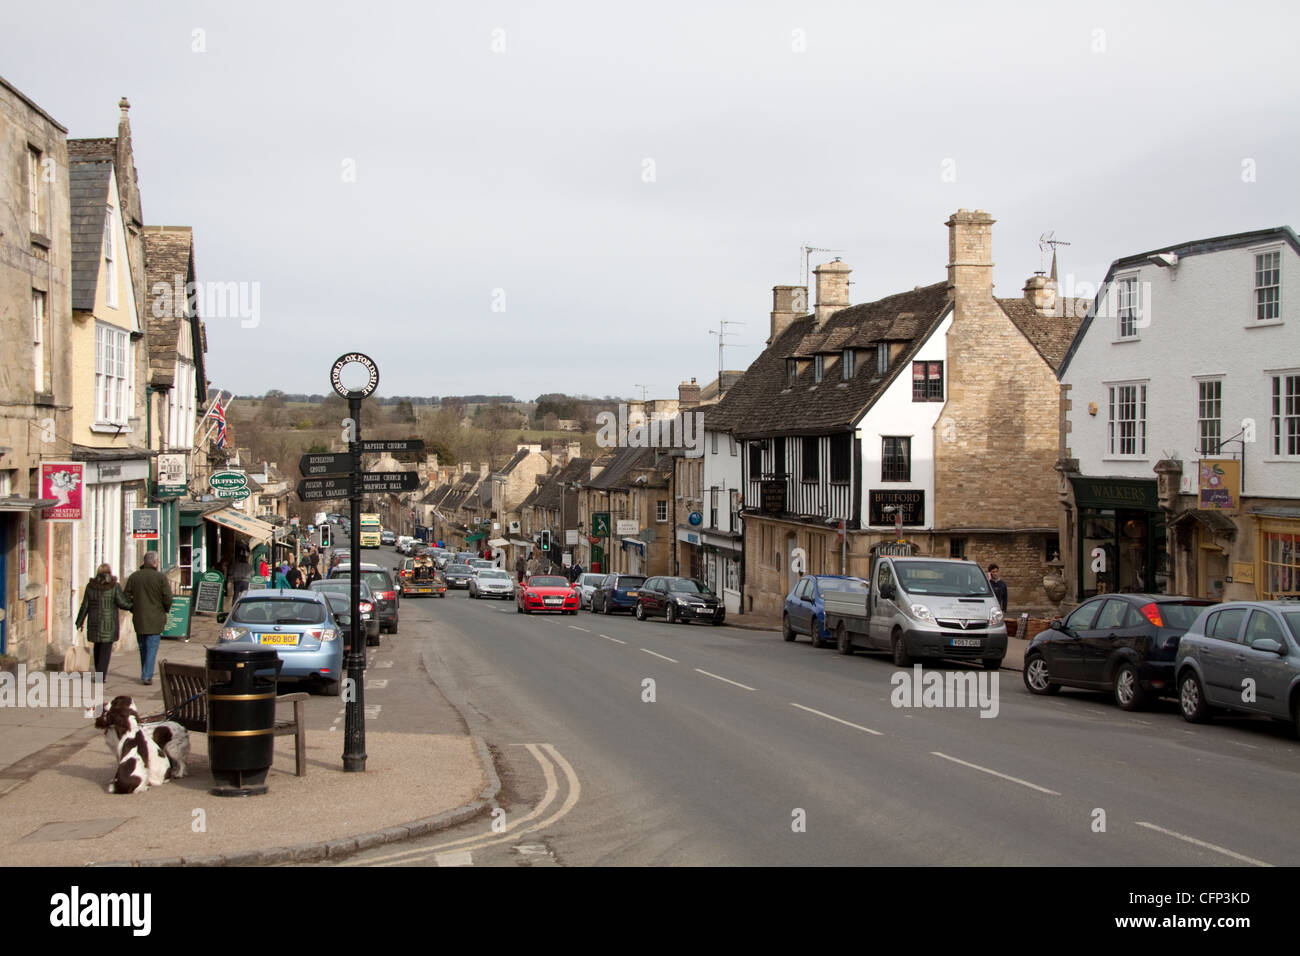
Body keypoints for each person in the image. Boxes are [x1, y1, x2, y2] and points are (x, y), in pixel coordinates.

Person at [123, 551, 172, 685]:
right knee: (151, 647)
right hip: (156, 618)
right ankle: (147, 675)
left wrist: (133, 608)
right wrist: (165, 609)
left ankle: (145, 672)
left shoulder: (134, 577)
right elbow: (168, 597)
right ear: (155, 563)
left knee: (143, 646)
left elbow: (125, 597)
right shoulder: (160, 578)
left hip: (139, 618)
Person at [76, 563, 132, 679]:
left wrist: (79, 621)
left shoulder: (91, 586)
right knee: (105, 651)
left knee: (97, 648)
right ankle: (100, 676)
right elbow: (122, 603)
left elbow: (85, 606)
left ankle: (99, 672)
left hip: (94, 623)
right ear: (109, 572)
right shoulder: (114, 586)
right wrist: (133, 605)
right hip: (109, 624)